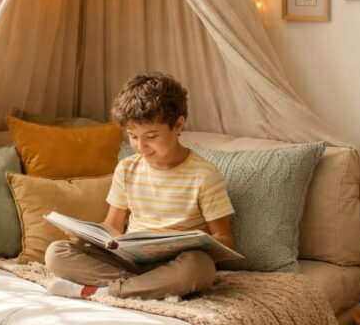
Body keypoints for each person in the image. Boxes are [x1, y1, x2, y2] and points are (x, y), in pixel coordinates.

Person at [45, 72, 234, 300]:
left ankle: (105, 291)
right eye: (133, 136)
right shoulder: (126, 169)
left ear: (178, 125)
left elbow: (224, 239)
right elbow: (113, 227)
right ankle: (142, 288)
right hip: (128, 262)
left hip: (176, 265)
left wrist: (191, 242)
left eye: (151, 136)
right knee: (56, 252)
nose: (140, 146)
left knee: (199, 267)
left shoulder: (204, 175)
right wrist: (85, 237)